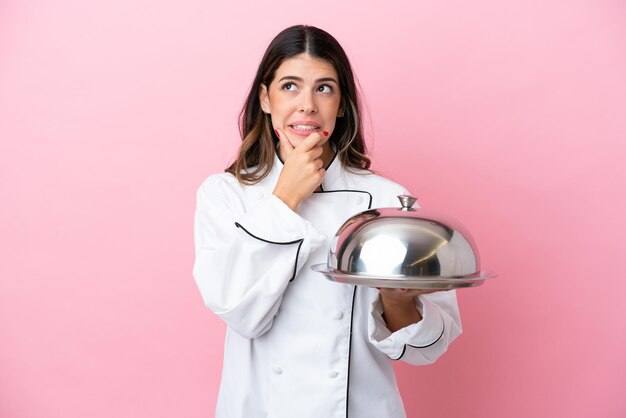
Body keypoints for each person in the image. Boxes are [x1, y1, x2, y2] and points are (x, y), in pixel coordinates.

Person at [193, 25, 462, 418]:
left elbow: (430, 347)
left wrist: (396, 300)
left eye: (324, 88)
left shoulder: (388, 200)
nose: (307, 105)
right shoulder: (225, 194)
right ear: (265, 98)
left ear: (342, 104)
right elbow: (238, 310)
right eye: (289, 86)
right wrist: (285, 197)